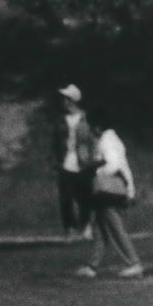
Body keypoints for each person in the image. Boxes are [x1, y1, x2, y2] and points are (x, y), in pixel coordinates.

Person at [73, 106, 143, 279]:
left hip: (109, 191)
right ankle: (92, 266)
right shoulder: (110, 138)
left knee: (114, 227)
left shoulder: (107, 140)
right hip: (112, 190)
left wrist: (95, 172)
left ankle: (133, 263)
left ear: (97, 126)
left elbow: (112, 165)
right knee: (102, 228)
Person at [53, 83, 95, 240]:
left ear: (72, 100)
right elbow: (56, 141)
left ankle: (85, 226)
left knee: (84, 197)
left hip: (82, 162)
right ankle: (69, 228)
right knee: (65, 198)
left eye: (65, 98)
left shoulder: (85, 118)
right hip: (65, 162)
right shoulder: (61, 120)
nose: (63, 101)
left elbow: (91, 140)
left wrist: (92, 159)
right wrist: (55, 159)